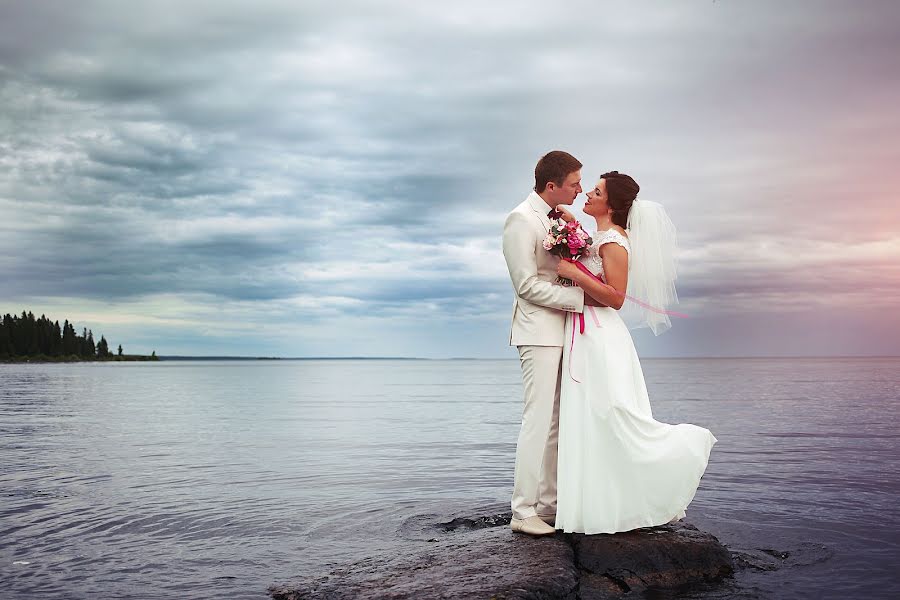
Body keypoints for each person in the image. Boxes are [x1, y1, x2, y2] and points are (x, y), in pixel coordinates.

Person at [553, 171, 718, 534]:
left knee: (612, 414)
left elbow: (615, 297)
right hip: (586, 332)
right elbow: (588, 250)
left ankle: (683, 450)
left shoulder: (614, 241)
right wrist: (571, 226)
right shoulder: (598, 236)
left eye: (595, 192)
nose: (587, 195)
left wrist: (573, 273)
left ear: (610, 204)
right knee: (593, 418)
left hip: (600, 334)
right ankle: (596, 504)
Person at [501, 151, 604, 536]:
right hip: (537, 333)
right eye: (575, 183)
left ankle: (549, 504)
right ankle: (522, 511)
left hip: (565, 332)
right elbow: (525, 286)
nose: (580, 189)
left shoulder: (558, 218)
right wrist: (580, 300)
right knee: (537, 420)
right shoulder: (521, 220)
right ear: (552, 185)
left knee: (558, 422)